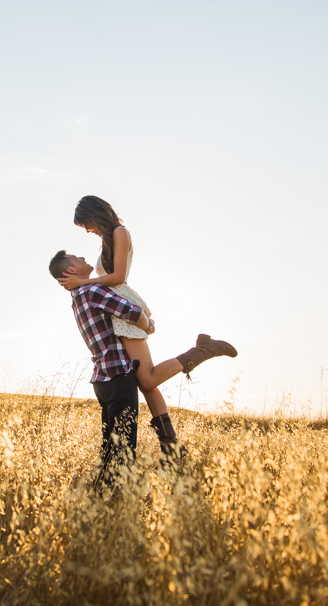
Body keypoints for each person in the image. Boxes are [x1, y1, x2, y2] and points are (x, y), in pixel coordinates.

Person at [57, 195, 237, 460]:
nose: (88, 230)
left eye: (87, 224)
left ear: (96, 213)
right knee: (146, 384)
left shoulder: (120, 232)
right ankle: (171, 448)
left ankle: (203, 350)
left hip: (123, 304)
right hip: (115, 304)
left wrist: (82, 283)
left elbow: (118, 276)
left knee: (148, 378)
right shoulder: (107, 239)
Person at [49, 249, 236, 489]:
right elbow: (133, 312)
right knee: (123, 447)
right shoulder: (91, 290)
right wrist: (149, 326)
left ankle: (102, 496)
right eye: (77, 259)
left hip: (102, 380)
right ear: (71, 271)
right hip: (118, 376)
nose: (83, 258)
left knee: (110, 446)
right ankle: (117, 497)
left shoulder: (78, 296)